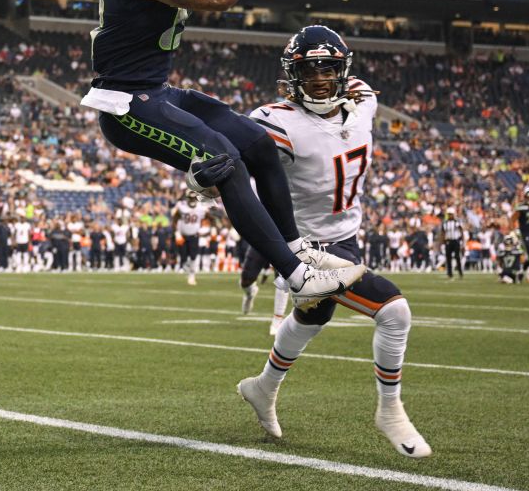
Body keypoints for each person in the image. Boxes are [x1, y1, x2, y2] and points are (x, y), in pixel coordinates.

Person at [81, 0, 364, 304]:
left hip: (157, 91)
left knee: (256, 143)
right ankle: (296, 278)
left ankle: (294, 247)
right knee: (224, 161)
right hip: (127, 106)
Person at [235, 26, 430, 459]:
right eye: (309, 70)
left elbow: (361, 89)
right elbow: (230, 158)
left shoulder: (363, 104)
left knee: (313, 318)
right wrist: (207, 177)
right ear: (291, 75)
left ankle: (262, 388)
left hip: (347, 237)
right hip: (303, 246)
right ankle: (390, 410)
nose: (321, 78)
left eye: (329, 68)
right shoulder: (276, 122)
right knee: (394, 312)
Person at [171, 194, 211, 285]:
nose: (192, 200)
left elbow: (211, 218)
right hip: (183, 236)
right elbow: (174, 219)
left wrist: (208, 230)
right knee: (183, 257)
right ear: (187, 198)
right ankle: (189, 270)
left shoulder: (201, 208)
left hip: (194, 236)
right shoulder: (182, 207)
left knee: (193, 256)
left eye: (194, 198)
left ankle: (192, 275)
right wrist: (176, 232)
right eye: (191, 198)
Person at [441, 209, 465, 279]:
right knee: (448, 258)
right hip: (448, 241)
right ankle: (449, 273)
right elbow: (443, 233)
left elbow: (461, 231)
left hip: (456, 241)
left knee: (457, 257)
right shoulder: (445, 223)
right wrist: (443, 242)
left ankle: (460, 272)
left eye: (451, 214)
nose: (450, 215)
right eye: (449, 214)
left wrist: (463, 242)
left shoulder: (457, 222)